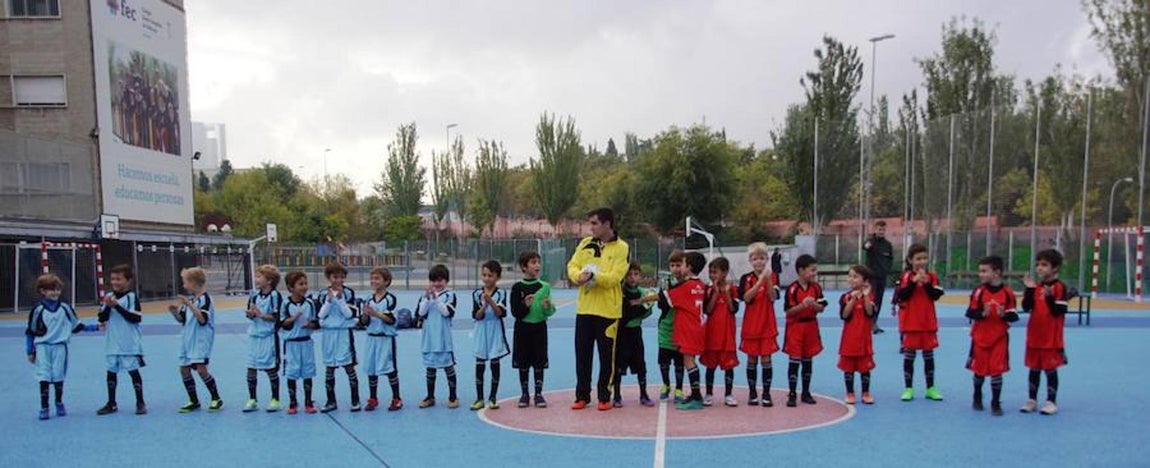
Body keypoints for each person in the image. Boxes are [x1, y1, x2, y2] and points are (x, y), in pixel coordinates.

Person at [567, 207, 630, 411]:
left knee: (606, 358)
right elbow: (572, 266)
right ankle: (582, 396)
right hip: (585, 309)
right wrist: (578, 276)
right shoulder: (585, 244)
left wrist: (594, 276)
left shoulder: (622, 248)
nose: (590, 227)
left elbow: (615, 278)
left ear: (607, 224)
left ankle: (605, 395)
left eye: (594, 223)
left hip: (608, 311)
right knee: (582, 355)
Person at [25, 274, 97, 420]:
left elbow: (76, 326)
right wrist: (29, 350)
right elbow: (30, 331)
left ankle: (59, 402)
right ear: (42, 291)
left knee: (58, 376)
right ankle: (44, 406)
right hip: (43, 347)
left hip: (60, 347)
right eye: (51, 289)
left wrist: (95, 327)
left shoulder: (65, 308)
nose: (56, 293)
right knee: (44, 376)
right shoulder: (37, 310)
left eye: (58, 289)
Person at [1020, 249, 1073, 416]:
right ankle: (1032, 400)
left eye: (1044, 265)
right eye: (1038, 265)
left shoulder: (1059, 287)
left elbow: (1059, 311)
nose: (1040, 268)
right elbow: (1026, 307)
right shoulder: (1036, 288)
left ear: (1055, 268)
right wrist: (1028, 289)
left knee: (1050, 369)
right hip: (1034, 335)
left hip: (1051, 338)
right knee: (1033, 369)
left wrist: (1050, 298)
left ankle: (1051, 401)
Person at [965, 256, 1018, 416]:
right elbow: (970, 313)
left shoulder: (1007, 293)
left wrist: (1003, 316)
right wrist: (982, 313)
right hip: (980, 337)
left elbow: (1013, 316)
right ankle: (977, 396)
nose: (980, 274)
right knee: (979, 370)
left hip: (999, 338)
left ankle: (995, 402)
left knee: (997, 370)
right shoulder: (979, 292)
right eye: (980, 271)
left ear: (996, 272)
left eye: (984, 271)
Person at [658, 250, 708, 410]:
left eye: (683, 264)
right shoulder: (701, 284)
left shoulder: (686, 286)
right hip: (698, 327)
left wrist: (639, 300)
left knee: (689, 361)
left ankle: (696, 396)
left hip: (689, 329)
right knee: (689, 361)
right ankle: (695, 394)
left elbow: (664, 297)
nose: (681, 268)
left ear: (689, 267)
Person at [896, 244, 945, 402]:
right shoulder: (905, 277)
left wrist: (926, 284)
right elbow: (902, 296)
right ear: (910, 260)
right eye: (918, 259)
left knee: (928, 356)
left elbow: (936, 295)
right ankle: (908, 388)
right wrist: (913, 282)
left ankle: (930, 388)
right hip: (911, 323)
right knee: (909, 356)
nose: (922, 261)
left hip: (927, 322)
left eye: (924, 258)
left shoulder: (931, 276)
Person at [169, 267, 223, 413]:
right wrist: (175, 312)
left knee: (201, 369)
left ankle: (216, 397)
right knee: (184, 369)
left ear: (194, 283)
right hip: (187, 340)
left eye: (185, 282)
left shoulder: (205, 299)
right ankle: (193, 400)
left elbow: (202, 319)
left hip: (200, 341)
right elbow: (183, 320)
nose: (184, 285)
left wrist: (188, 304)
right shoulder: (192, 301)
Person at [96, 264, 147, 416]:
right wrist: (107, 306)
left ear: (128, 281)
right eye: (113, 279)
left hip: (129, 343)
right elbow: (102, 318)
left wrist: (117, 306)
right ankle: (111, 403)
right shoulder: (108, 297)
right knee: (111, 372)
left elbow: (136, 318)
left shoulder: (131, 297)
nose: (115, 282)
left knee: (133, 372)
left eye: (119, 279)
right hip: (112, 343)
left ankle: (140, 402)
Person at [510, 251, 555, 408]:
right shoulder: (517, 288)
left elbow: (550, 312)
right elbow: (516, 313)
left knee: (539, 361)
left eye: (538, 262)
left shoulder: (545, 287)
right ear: (524, 267)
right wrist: (525, 306)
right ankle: (524, 394)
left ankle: (538, 394)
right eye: (533, 262)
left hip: (539, 329)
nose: (537, 265)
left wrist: (547, 307)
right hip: (522, 329)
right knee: (523, 361)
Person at [316, 261, 361, 413]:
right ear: (329, 278)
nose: (339, 281)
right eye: (335, 277)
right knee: (330, 367)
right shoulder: (323, 293)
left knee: (349, 367)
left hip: (343, 334)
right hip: (329, 334)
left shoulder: (348, 293)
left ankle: (355, 400)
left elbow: (349, 314)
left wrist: (341, 300)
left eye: (342, 277)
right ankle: (331, 401)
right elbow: (321, 315)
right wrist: (329, 301)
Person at [783, 254, 827, 407]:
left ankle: (806, 392)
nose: (814, 273)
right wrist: (802, 306)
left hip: (811, 326)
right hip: (796, 327)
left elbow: (821, 307)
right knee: (794, 361)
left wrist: (813, 305)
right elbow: (788, 311)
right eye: (812, 270)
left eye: (815, 270)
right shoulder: (793, 289)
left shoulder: (816, 288)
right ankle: (792, 393)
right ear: (801, 271)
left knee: (808, 360)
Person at [740, 242, 779, 407]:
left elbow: (773, 297)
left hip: (767, 325)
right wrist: (759, 281)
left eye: (762, 258)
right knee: (751, 359)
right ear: (750, 260)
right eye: (755, 259)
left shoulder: (774, 276)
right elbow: (747, 298)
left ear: (767, 259)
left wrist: (767, 279)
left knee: (766, 359)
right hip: (751, 325)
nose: (759, 262)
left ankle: (766, 393)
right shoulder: (745, 278)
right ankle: (752, 392)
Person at [417, 264, 460, 409]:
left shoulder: (450, 295)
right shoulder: (425, 296)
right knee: (430, 368)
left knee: (448, 368)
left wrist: (436, 299)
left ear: (446, 281)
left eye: (440, 280)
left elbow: (447, 312)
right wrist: (428, 299)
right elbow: (421, 313)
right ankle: (430, 396)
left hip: (443, 339)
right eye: (434, 280)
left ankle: (453, 396)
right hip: (429, 339)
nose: (437, 283)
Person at [614, 261, 655, 407]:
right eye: (629, 274)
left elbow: (647, 312)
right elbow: (624, 313)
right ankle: (617, 395)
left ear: (640, 276)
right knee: (619, 364)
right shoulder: (620, 292)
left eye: (636, 274)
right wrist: (638, 307)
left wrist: (640, 307)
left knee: (640, 364)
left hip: (636, 332)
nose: (632, 277)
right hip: (621, 333)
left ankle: (643, 394)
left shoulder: (644, 293)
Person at [361, 267, 402, 412]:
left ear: (386, 281)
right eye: (372, 278)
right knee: (371, 369)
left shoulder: (390, 299)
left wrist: (375, 313)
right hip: (372, 338)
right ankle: (373, 398)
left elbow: (390, 320)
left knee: (389, 368)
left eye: (377, 278)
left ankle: (396, 398)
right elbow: (364, 322)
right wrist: (366, 315)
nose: (374, 281)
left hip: (385, 338)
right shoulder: (367, 299)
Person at [244, 265, 284, 413]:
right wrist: (250, 314)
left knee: (270, 368)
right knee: (251, 367)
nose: (256, 279)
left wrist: (261, 315)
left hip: (268, 336)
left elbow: (277, 318)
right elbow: (250, 313)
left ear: (269, 280)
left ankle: (275, 399)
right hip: (254, 335)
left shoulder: (275, 296)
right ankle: (252, 398)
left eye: (259, 276)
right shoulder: (254, 295)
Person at [471, 260, 510, 411]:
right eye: (484, 275)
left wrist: (491, 302)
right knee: (480, 364)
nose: (486, 278)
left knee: (495, 363)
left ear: (497, 277)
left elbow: (500, 313)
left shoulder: (501, 293)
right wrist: (483, 306)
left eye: (490, 275)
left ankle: (493, 397)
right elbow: (477, 316)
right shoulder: (476, 294)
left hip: (495, 329)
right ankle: (479, 398)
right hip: (481, 330)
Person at [702, 257, 740, 407]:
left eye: (715, 272)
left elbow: (733, 309)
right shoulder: (709, 290)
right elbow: (708, 311)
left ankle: (728, 394)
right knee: (710, 367)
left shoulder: (733, 289)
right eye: (710, 272)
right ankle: (709, 394)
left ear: (724, 273)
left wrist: (727, 293)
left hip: (727, 335)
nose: (712, 275)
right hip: (711, 335)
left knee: (728, 367)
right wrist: (716, 293)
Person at [280, 271, 319, 415]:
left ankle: (308, 402)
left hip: (306, 342)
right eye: (300, 284)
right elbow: (282, 323)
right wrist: (293, 319)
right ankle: (292, 402)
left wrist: (310, 325)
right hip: (292, 344)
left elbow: (316, 322)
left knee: (308, 371)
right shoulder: (285, 304)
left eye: (305, 283)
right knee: (292, 372)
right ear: (291, 287)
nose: (304, 287)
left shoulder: (310, 303)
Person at [838, 265, 876, 405]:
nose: (851, 279)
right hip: (849, 339)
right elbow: (844, 315)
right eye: (850, 276)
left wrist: (865, 295)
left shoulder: (870, 296)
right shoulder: (845, 297)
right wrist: (852, 300)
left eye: (855, 276)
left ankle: (866, 392)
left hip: (864, 339)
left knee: (865, 368)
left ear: (864, 280)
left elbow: (870, 312)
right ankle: (850, 393)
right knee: (848, 368)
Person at [864, 220, 894, 334]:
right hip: (872, 277)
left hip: (882, 276)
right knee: (871, 299)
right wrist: (868, 245)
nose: (881, 231)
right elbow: (865, 246)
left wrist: (887, 269)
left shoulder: (888, 245)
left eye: (883, 229)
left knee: (879, 301)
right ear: (875, 229)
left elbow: (890, 259)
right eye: (879, 229)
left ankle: (874, 322)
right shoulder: (870, 242)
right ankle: (869, 323)